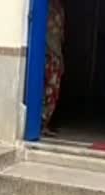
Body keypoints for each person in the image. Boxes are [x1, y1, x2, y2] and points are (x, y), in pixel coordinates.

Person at [43, 0, 65, 136]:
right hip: (49, 55)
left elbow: (59, 35)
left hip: (54, 54)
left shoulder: (58, 7)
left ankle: (44, 122)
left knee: (52, 90)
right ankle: (41, 122)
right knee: (48, 89)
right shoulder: (50, 7)